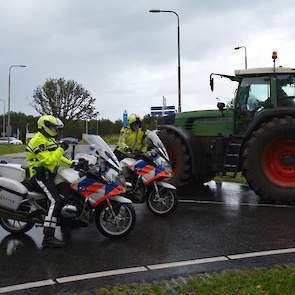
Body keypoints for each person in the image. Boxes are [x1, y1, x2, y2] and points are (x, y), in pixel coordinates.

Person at [26, 115, 73, 248]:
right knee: (55, 201)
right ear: (44, 126)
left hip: (49, 175)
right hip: (40, 176)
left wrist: (73, 164)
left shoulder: (48, 139)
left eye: (56, 127)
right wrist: (61, 149)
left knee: (66, 194)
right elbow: (49, 161)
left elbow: (58, 158)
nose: (56, 130)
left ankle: (66, 223)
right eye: (53, 127)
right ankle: (48, 237)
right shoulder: (37, 141)